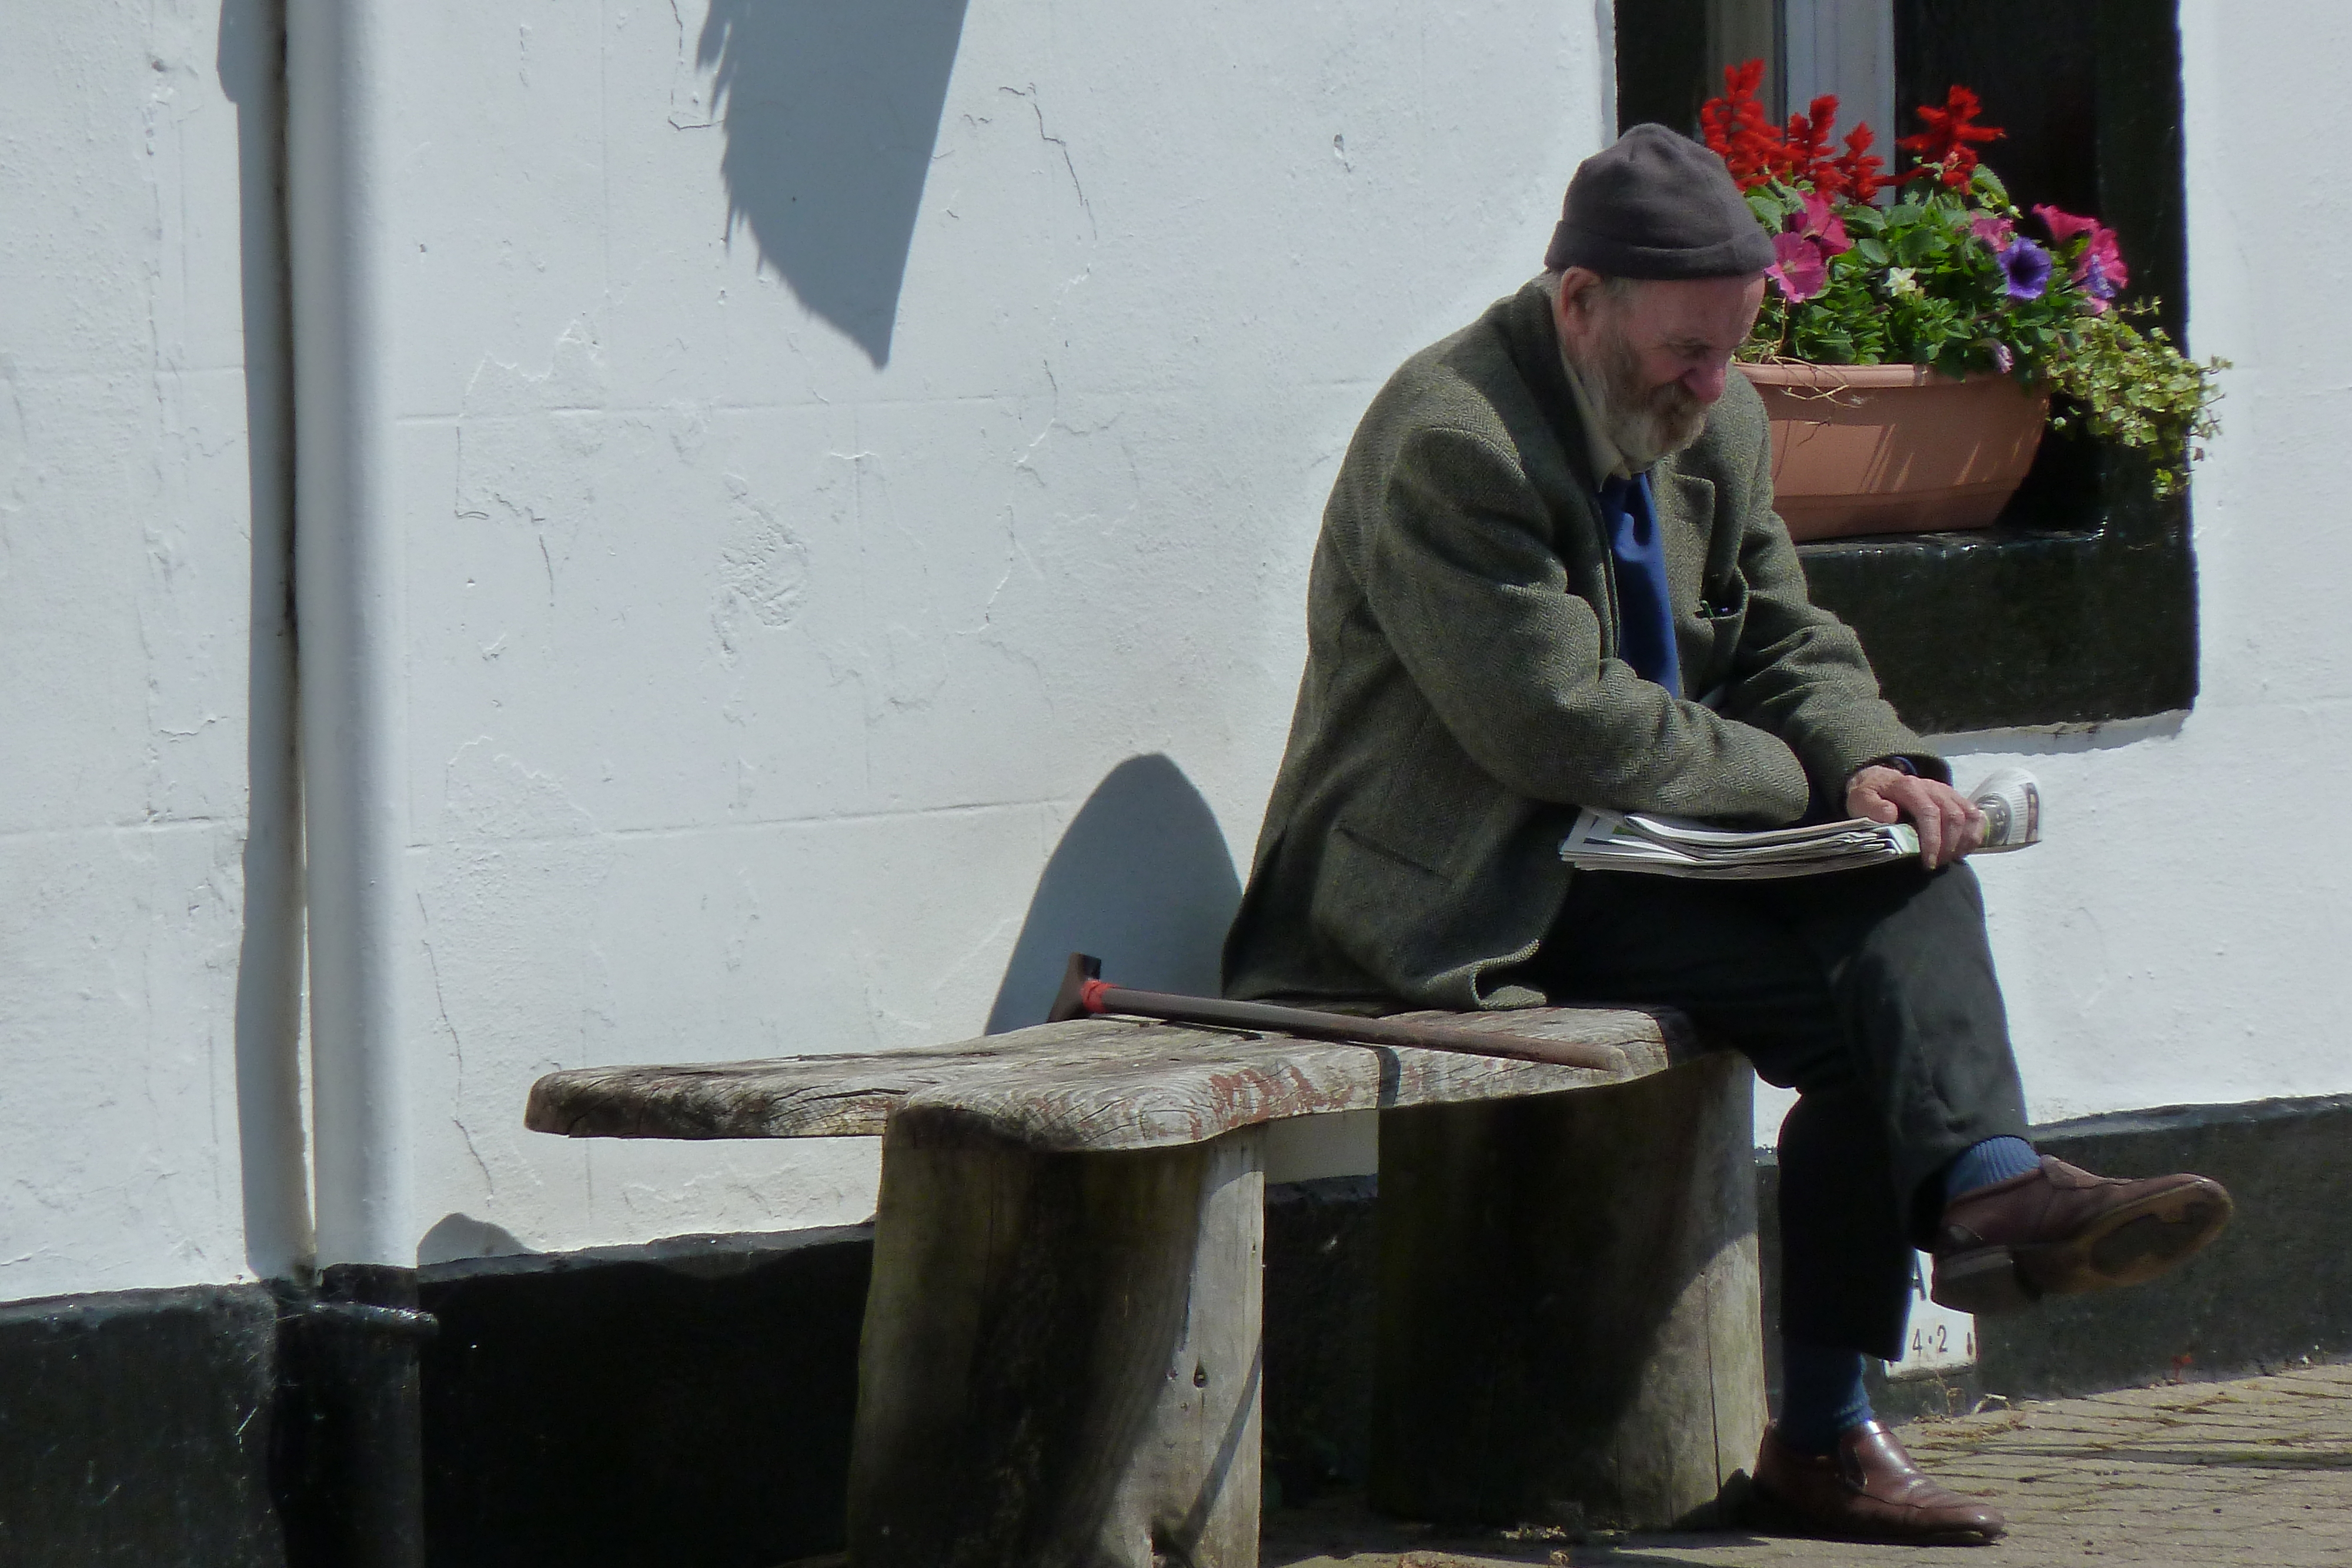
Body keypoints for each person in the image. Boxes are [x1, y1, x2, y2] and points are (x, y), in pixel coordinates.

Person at [1221, 124, 2233, 1546]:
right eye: (1684, 351)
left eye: (1731, 349)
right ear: (1579, 302)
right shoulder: (1451, 439)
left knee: (1906, 873)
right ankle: (1880, 1349)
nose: (1711, 383)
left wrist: (1873, 760)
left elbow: (1782, 634)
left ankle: (1973, 1206)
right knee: (1877, 995)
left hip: (1653, 847)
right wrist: (1806, 787)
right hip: (1477, 880)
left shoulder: (1721, 416)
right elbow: (1553, 722)